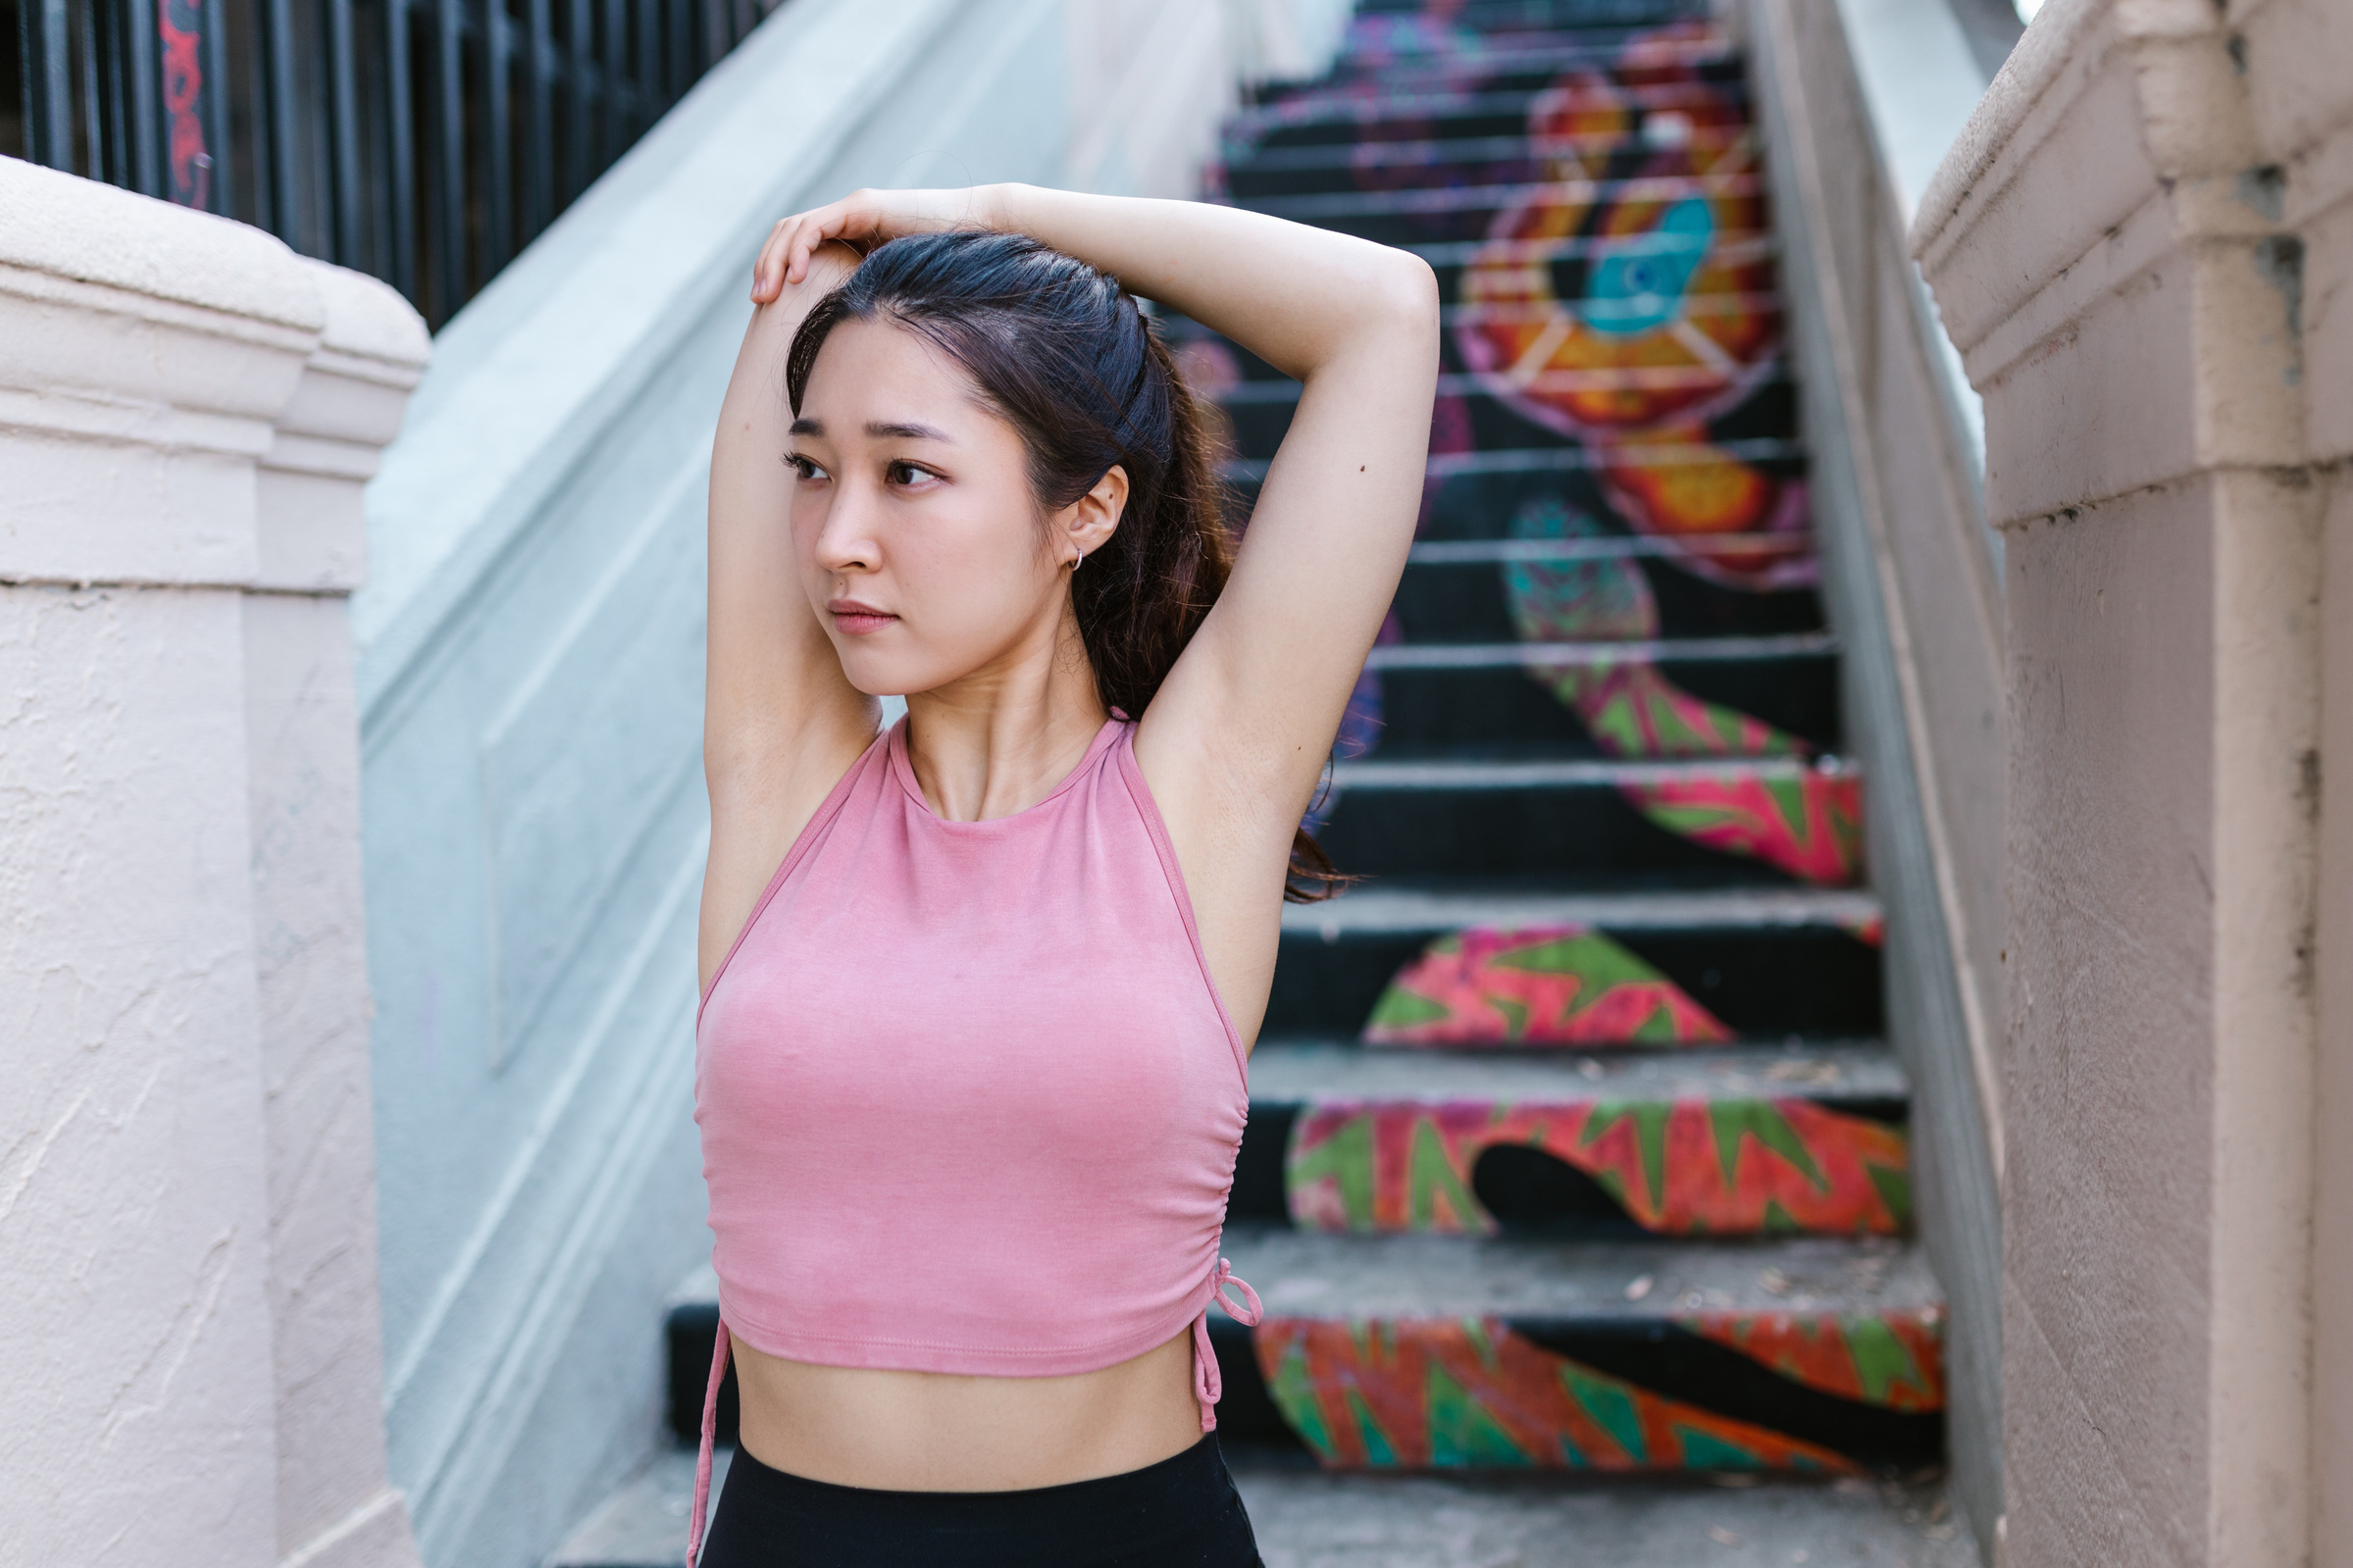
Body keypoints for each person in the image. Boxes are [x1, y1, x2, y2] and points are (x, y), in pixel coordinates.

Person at [690, 183, 1438, 1567]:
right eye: (814, 470)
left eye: (908, 473)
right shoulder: (780, 777)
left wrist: (993, 211)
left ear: (1086, 509)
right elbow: (806, 277)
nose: (840, 535)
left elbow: (1381, 314)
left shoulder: (1197, 798)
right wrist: (857, 256)